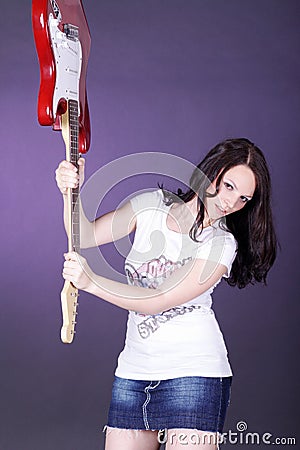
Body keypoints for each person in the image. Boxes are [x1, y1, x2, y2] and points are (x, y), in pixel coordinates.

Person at [55, 138, 277, 450]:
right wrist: (70, 190)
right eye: (228, 186)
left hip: (195, 374)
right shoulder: (150, 205)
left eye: (243, 198)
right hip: (134, 371)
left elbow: (158, 300)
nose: (230, 203)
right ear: (211, 170)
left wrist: (92, 283)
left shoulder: (222, 243)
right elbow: (84, 234)